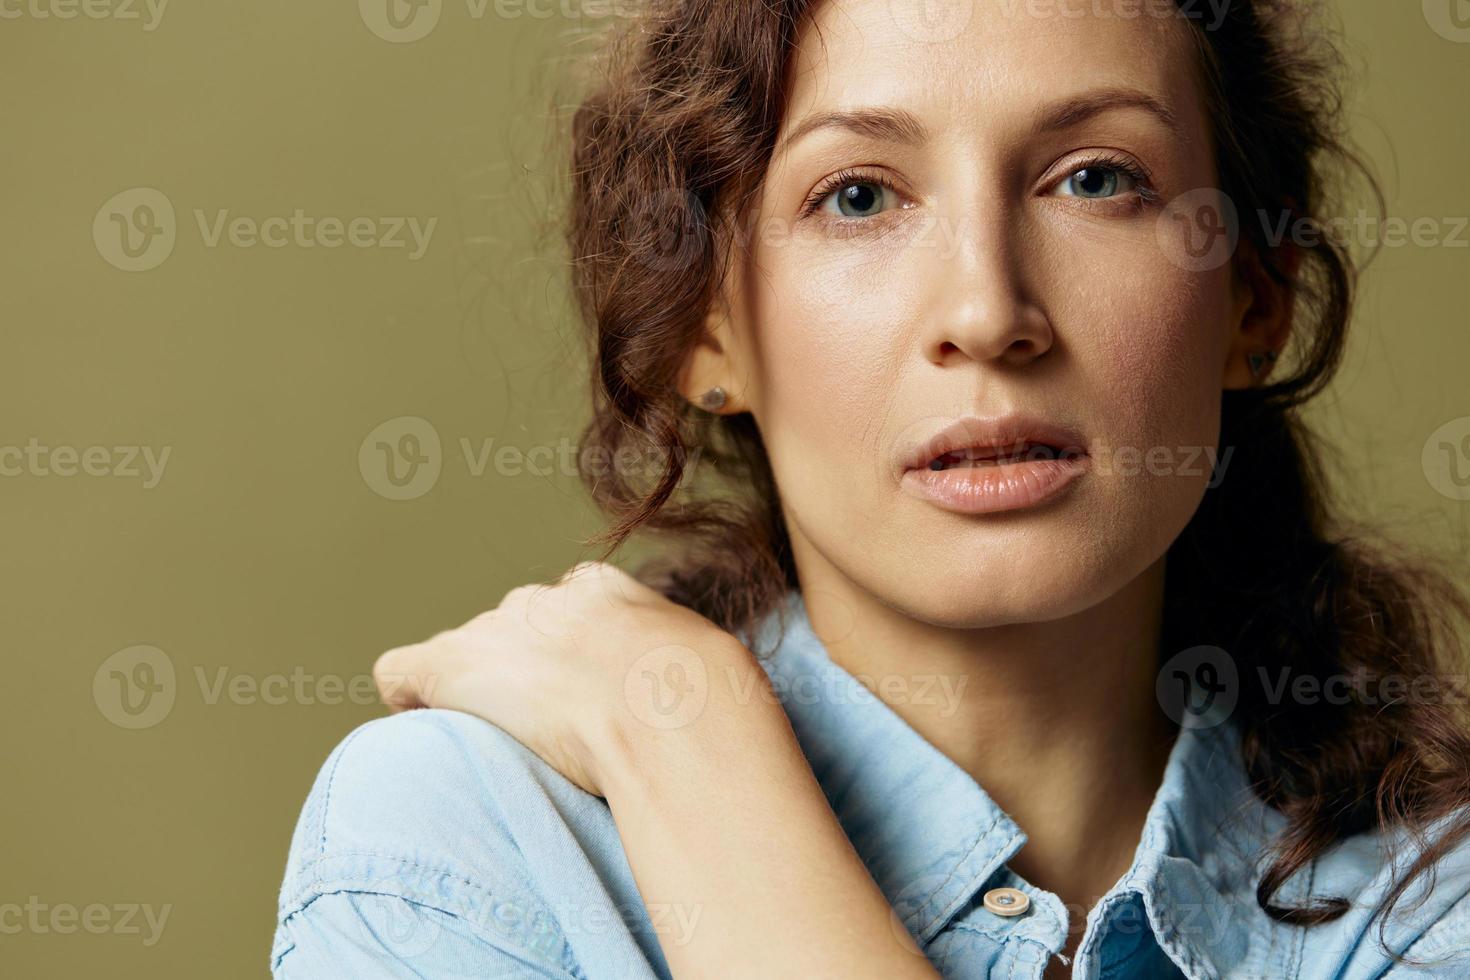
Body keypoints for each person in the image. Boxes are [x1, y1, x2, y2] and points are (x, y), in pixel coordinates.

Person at [270, 1, 1470, 976]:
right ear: (705, 324)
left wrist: (687, 745)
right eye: (858, 196)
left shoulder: (1432, 899)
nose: (988, 312)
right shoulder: (465, 846)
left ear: (1253, 299)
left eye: (1094, 179)